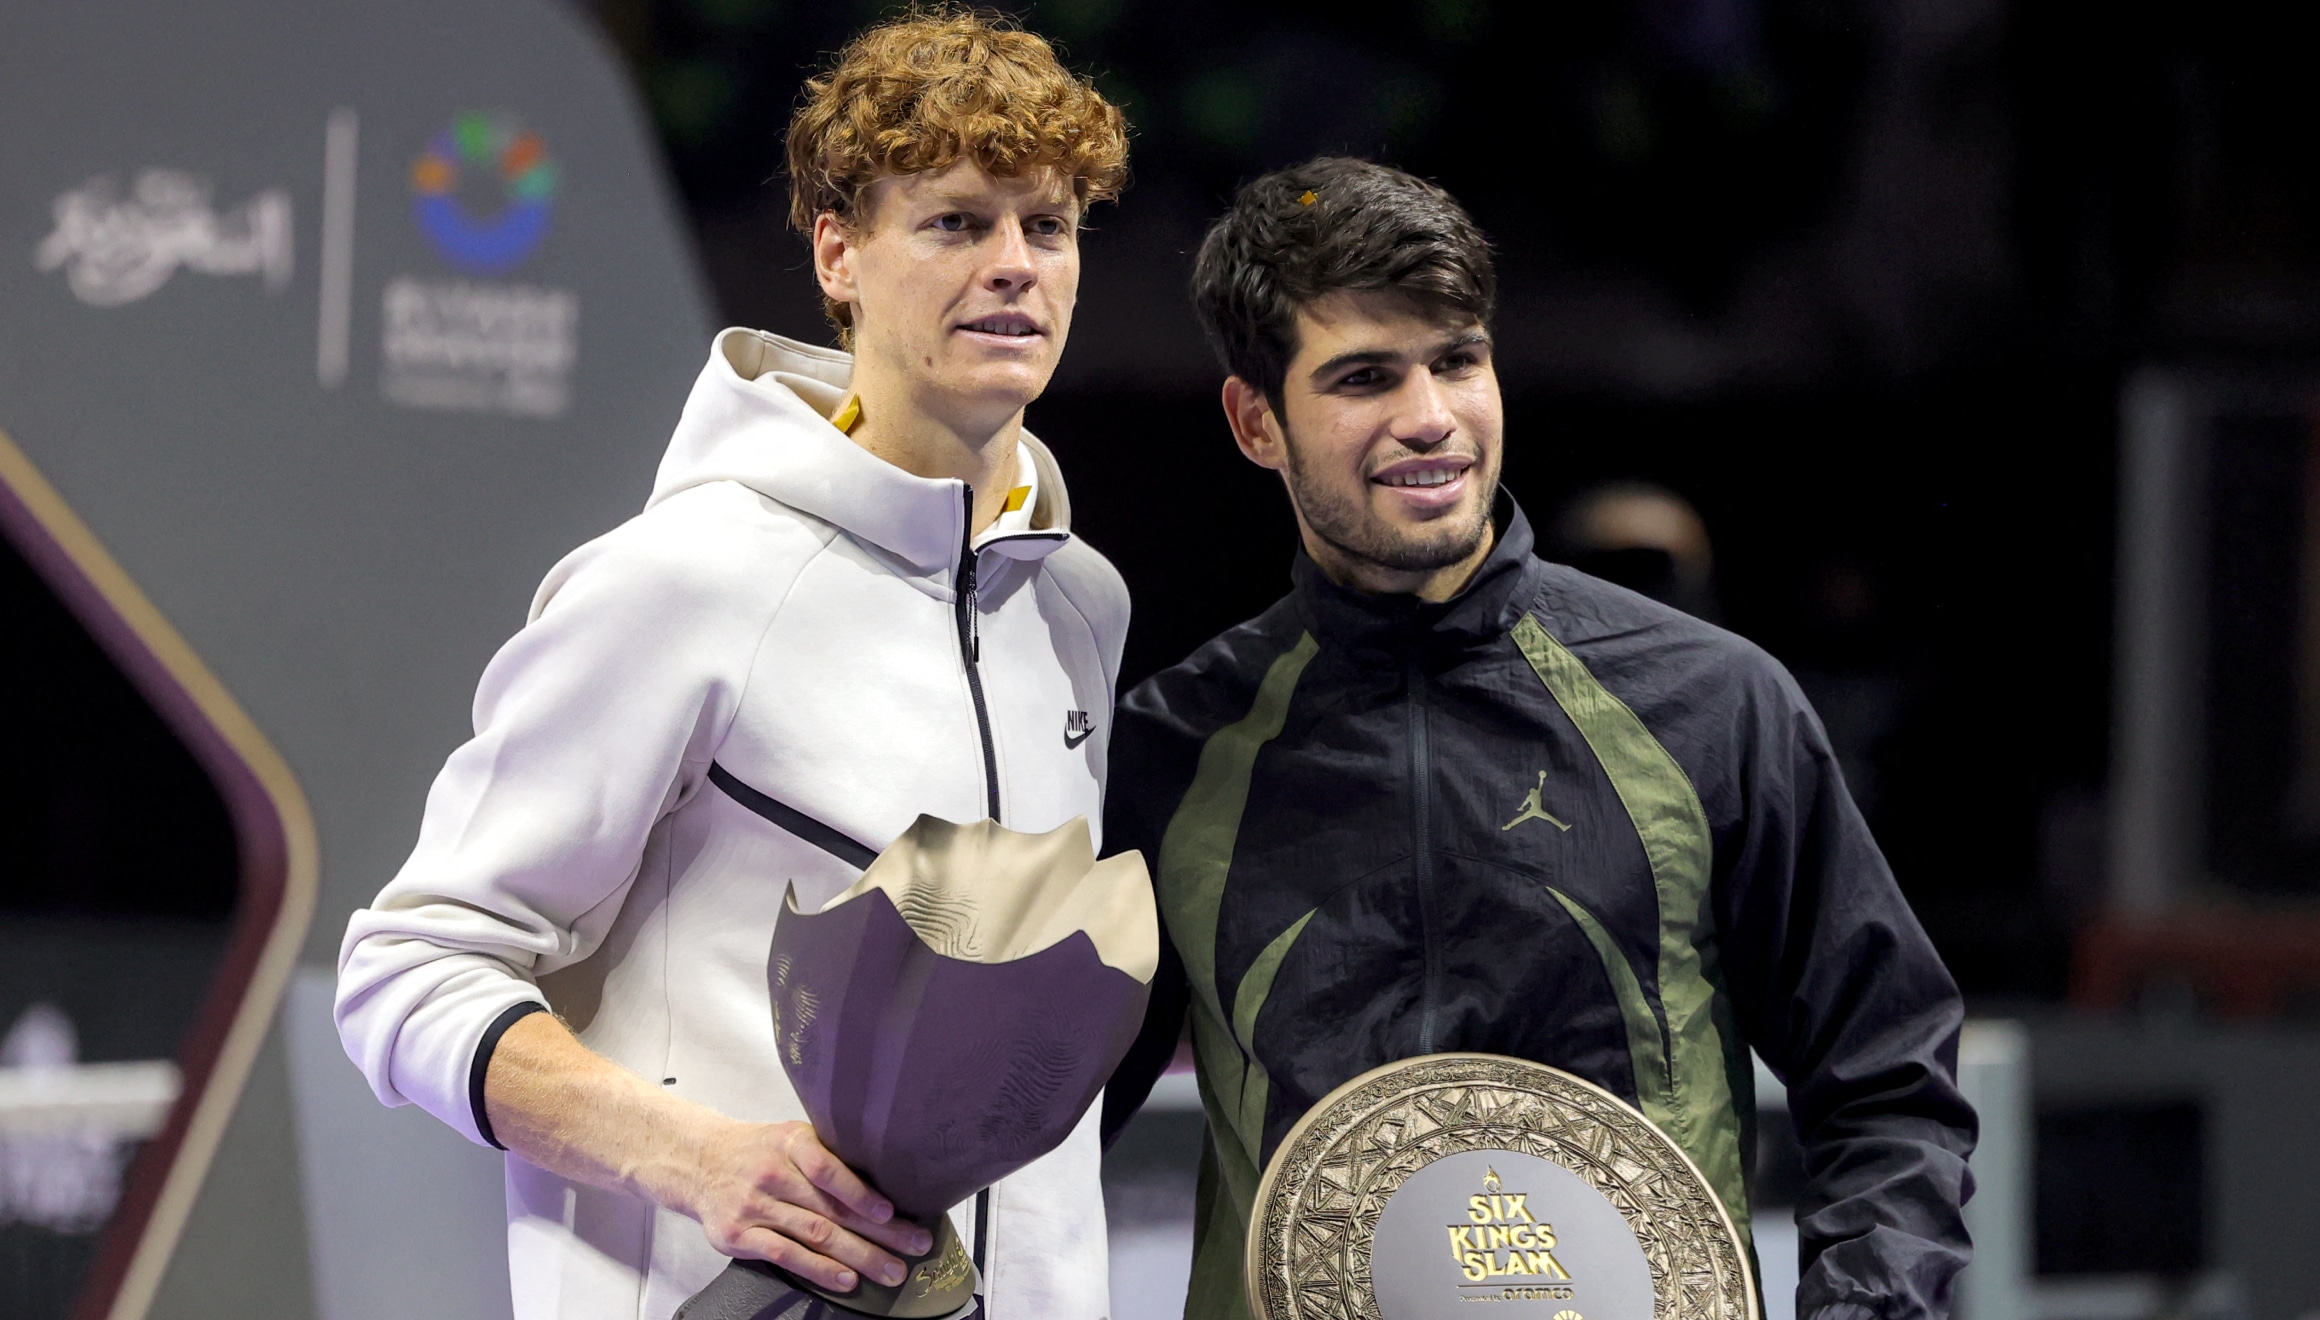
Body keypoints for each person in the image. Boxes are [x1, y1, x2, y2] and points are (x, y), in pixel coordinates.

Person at [335, 12, 1130, 1319]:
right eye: (954, 222)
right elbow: (405, 971)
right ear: (838, 252)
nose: (1013, 266)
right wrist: (695, 1159)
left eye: (1047, 226)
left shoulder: (1080, 606)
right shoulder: (682, 579)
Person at [1100, 158, 1976, 1320]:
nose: (1429, 417)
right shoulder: (1173, 749)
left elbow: (1887, 1080)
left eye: (1457, 360)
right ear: (1256, 421)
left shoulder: (1712, 706)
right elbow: (1028, 1127)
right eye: (1364, 377)